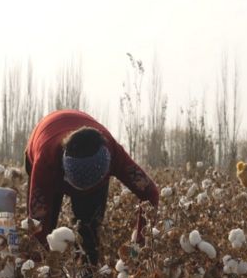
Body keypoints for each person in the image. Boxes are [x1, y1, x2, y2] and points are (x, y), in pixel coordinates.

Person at [24, 110, 159, 265]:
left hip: (90, 176)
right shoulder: (45, 161)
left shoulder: (114, 154)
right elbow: (37, 224)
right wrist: (36, 269)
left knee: (89, 235)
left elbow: (150, 192)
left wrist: (138, 249)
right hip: (44, 136)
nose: (79, 192)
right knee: (45, 227)